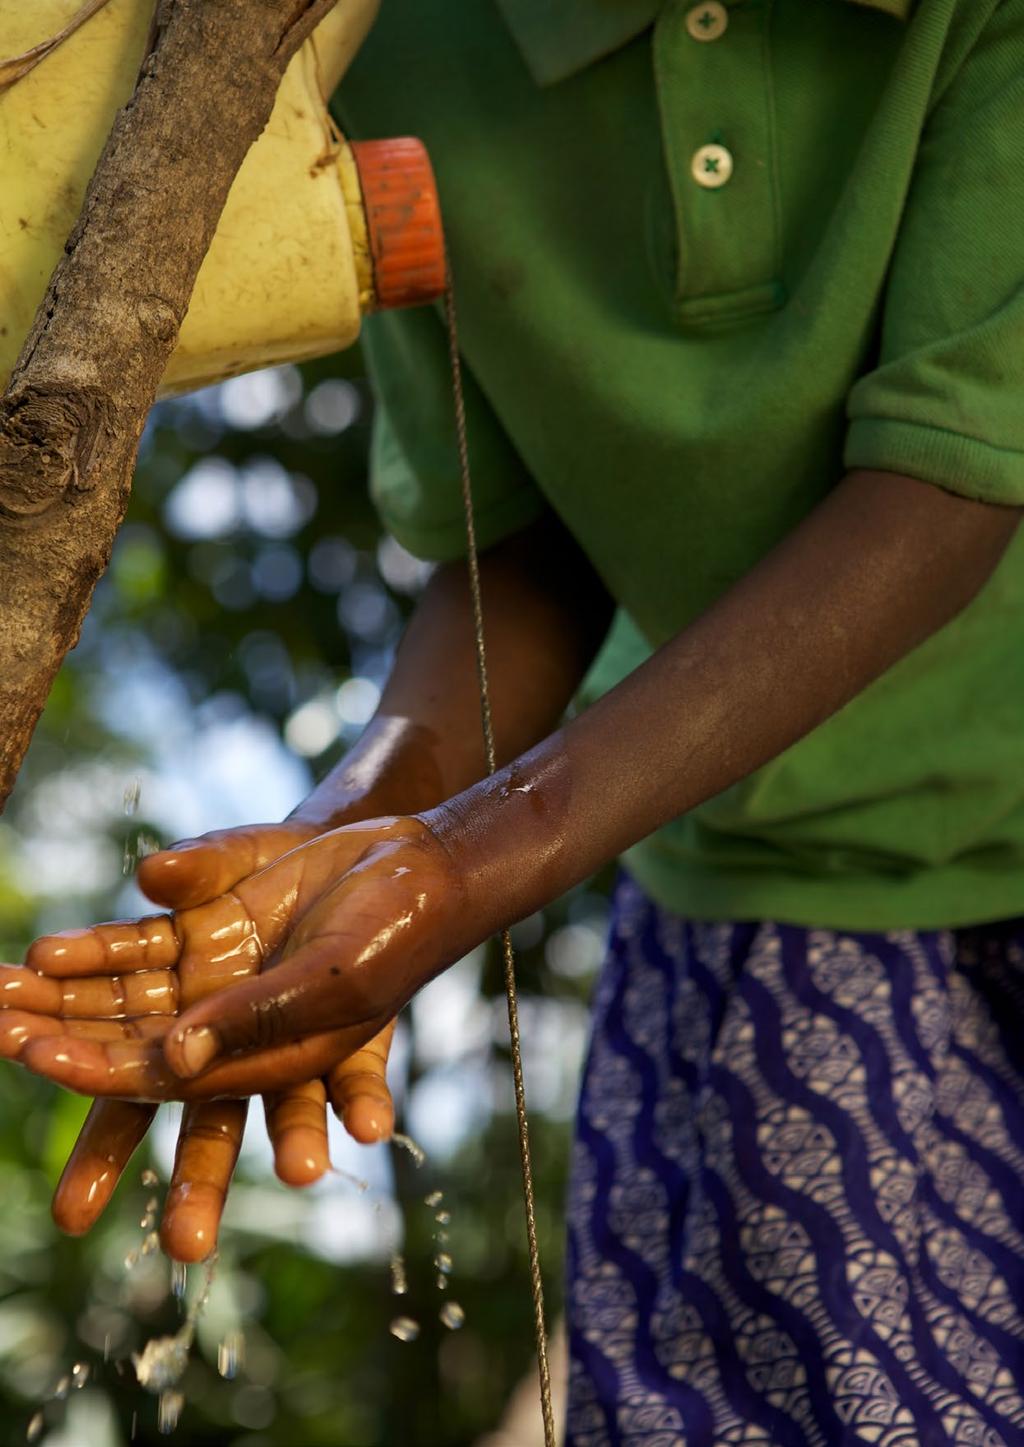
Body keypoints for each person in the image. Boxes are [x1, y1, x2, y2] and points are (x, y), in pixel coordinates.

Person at [3, 0, 1024, 1439]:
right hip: (780, 895)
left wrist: (468, 863)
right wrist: (351, 840)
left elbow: (950, 481)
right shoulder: (374, 37)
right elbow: (524, 540)